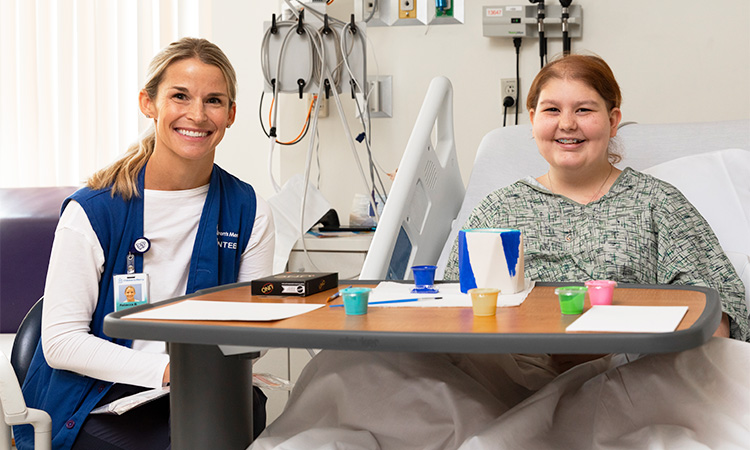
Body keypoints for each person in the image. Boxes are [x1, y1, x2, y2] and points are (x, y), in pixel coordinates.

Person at [248, 54, 749, 450]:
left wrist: (645, 336)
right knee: (347, 371)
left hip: (629, 369)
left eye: (585, 110)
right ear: (532, 121)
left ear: (613, 120)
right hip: (514, 367)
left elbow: (720, 308)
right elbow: (444, 307)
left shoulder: (657, 202)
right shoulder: (502, 206)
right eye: (552, 110)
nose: (567, 124)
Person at [16, 37, 275, 450]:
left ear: (230, 114)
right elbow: (62, 342)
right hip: (95, 398)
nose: (197, 114)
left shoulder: (249, 210)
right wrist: (172, 370)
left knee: (242, 418)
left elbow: (252, 336)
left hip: (200, 392)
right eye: (180, 96)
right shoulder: (93, 211)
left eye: (213, 100)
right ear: (148, 103)